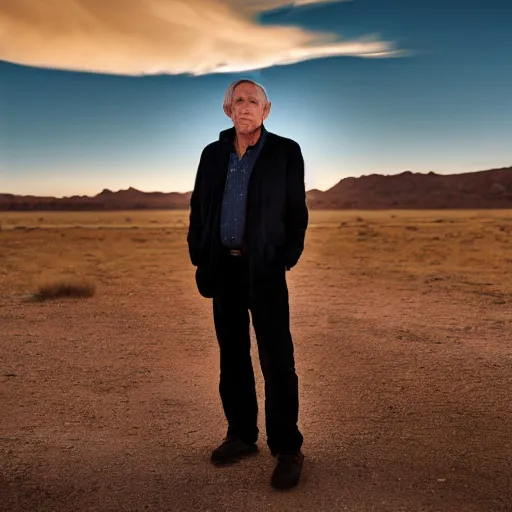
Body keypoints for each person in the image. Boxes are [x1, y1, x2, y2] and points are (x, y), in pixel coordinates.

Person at [187, 78, 309, 490]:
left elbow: (297, 212)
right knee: (232, 356)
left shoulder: (285, 152)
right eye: (237, 101)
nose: (245, 107)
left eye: (252, 101)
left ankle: (287, 448)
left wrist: (284, 258)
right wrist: (199, 255)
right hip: (225, 268)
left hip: (265, 270)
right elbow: (199, 208)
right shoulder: (212, 154)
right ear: (228, 110)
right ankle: (240, 436)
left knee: (277, 358)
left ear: (266, 109)